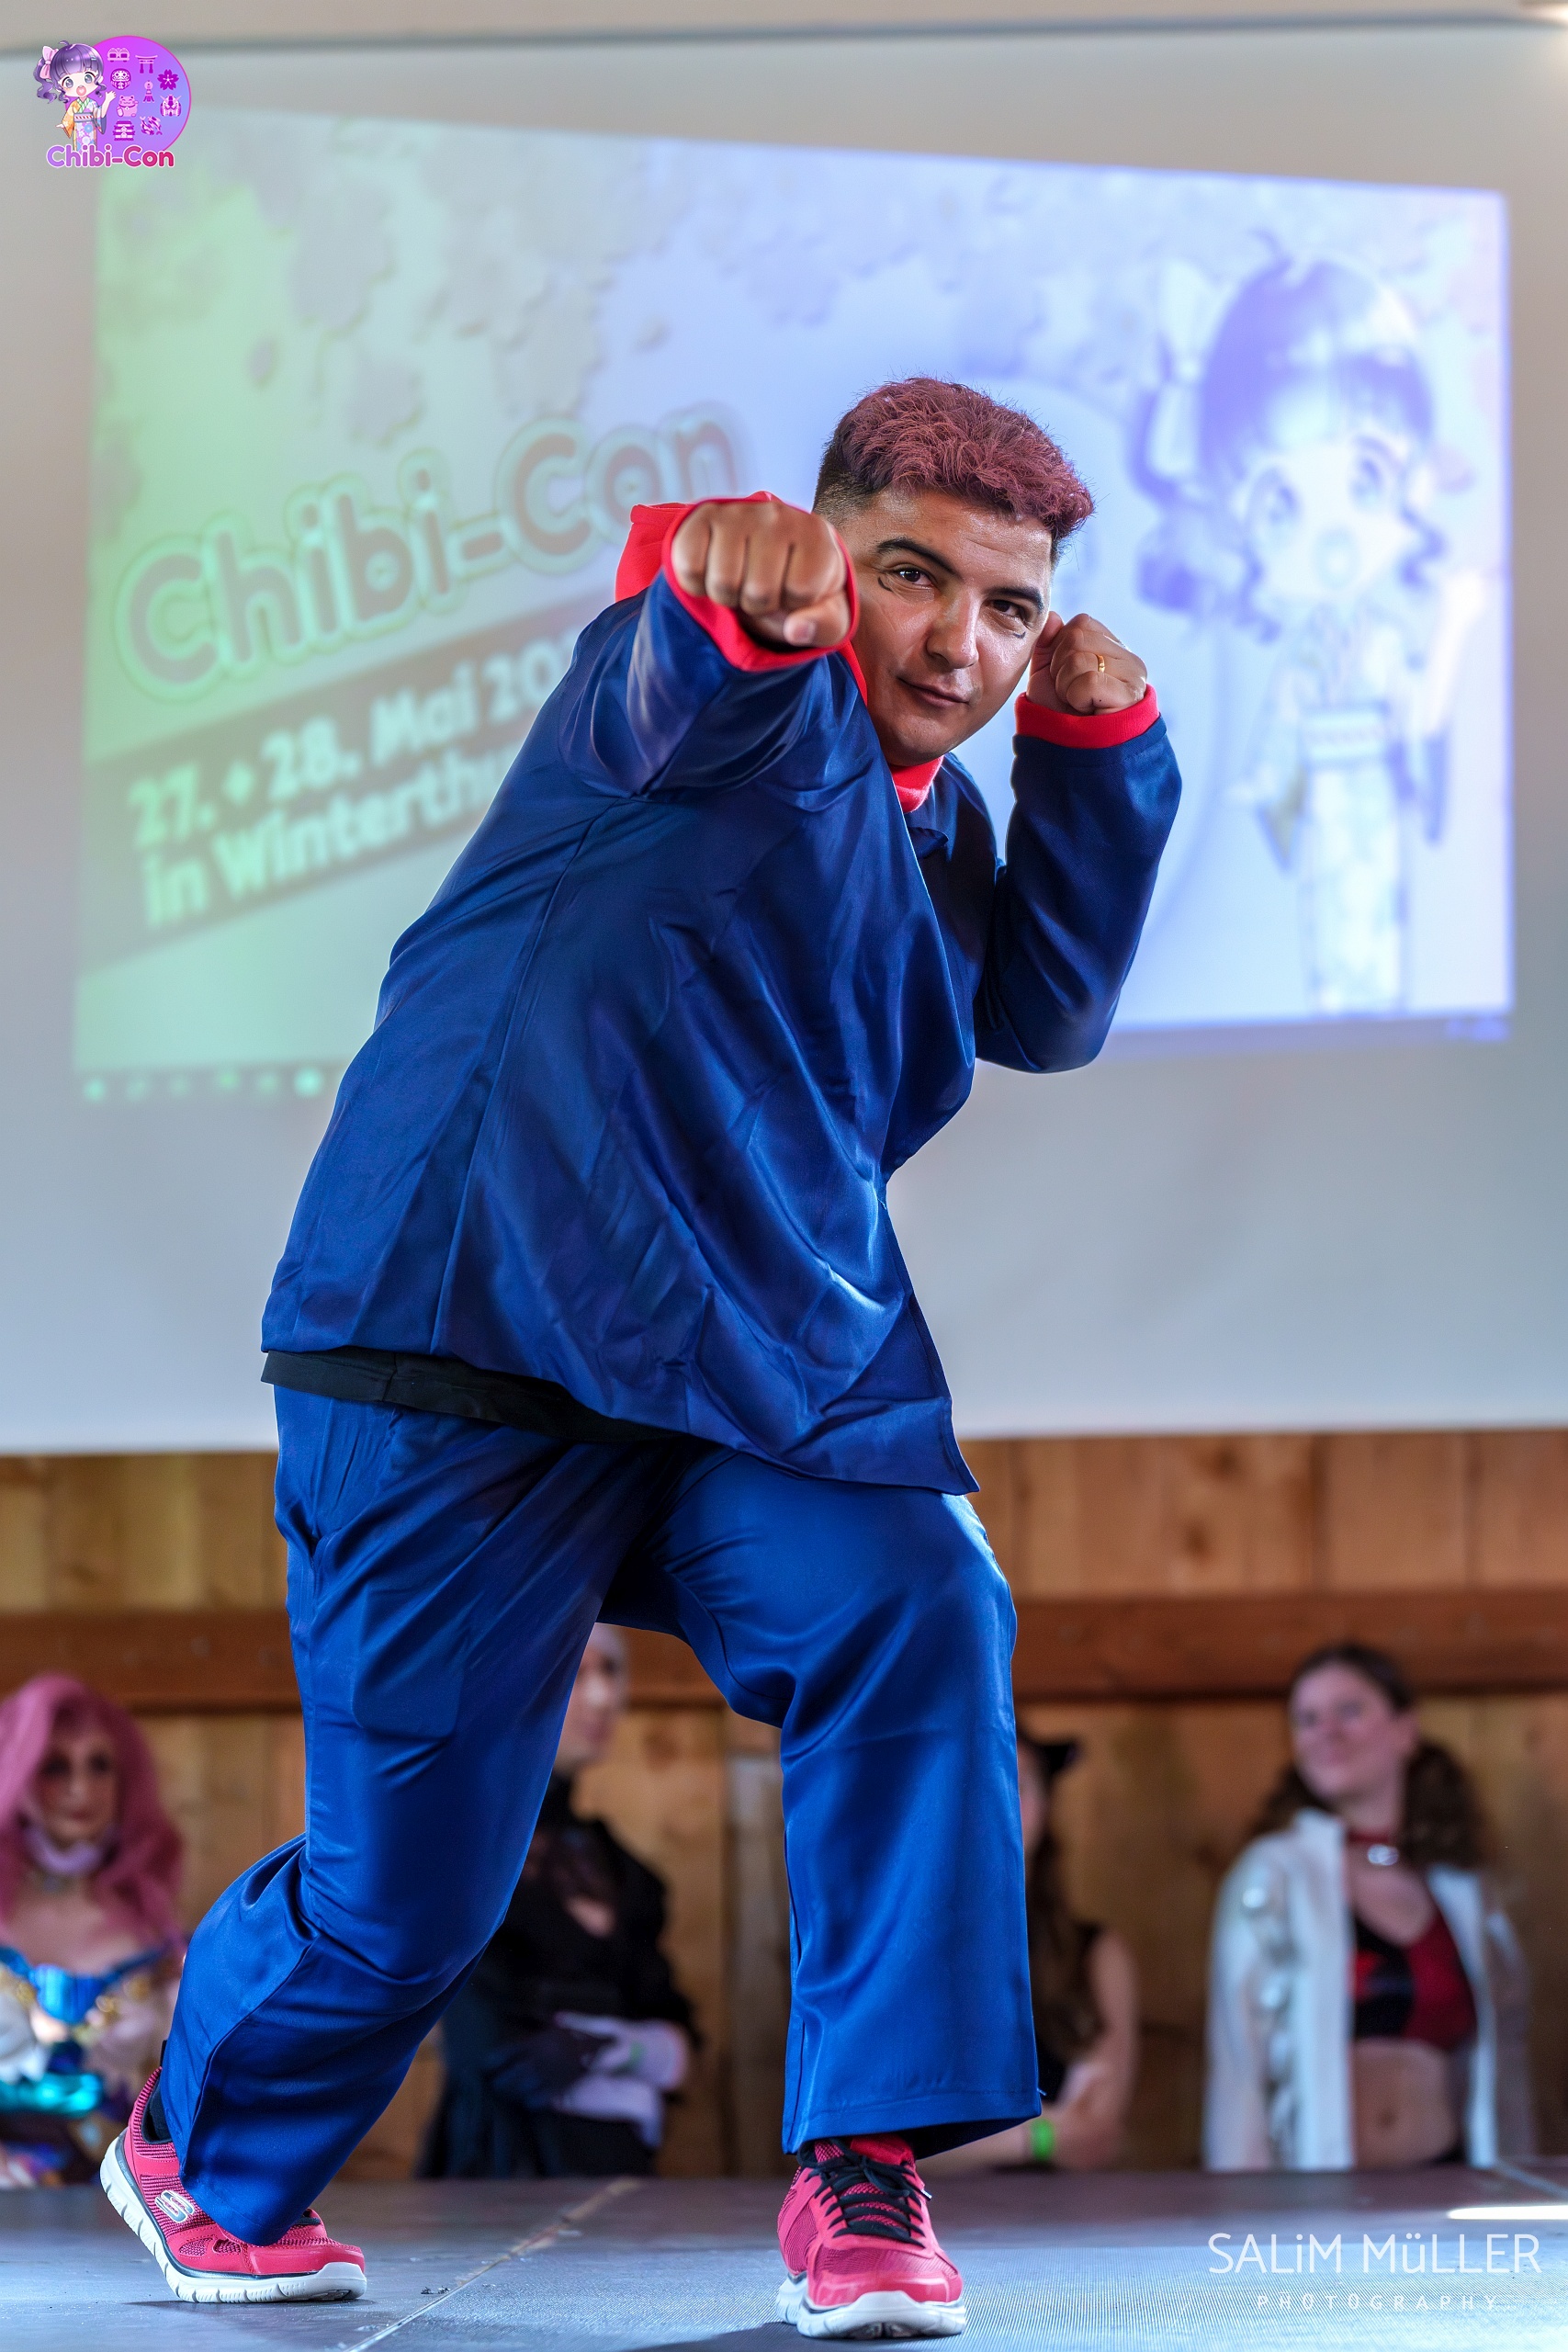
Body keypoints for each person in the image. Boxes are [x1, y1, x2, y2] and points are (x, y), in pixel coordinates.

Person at [102, 376, 1180, 2333]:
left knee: (917, 1597)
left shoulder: (938, 829)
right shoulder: (729, 682)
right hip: (465, 1336)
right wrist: (715, 584)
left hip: (739, 1374)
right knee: (408, 1898)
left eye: (1009, 607)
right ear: (828, 554)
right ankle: (199, 2139)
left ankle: (861, 2170)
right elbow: (680, 674)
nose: (958, 641)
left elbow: (1042, 1008)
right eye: (912, 576)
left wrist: (1098, 749)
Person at [1204, 1642, 1531, 2172]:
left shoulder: (1461, 1890)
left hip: (1450, 2184)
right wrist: (1243, 2201)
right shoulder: (1273, 1876)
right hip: (1320, 2191)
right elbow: (1238, 2061)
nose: (1326, 1732)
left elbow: (1504, 2061)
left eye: (1349, 1711)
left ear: (1406, 1730)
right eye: (1307, 1719)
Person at [420, 1623, 694, 2178]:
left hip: (619, 2181)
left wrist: (599, 2047)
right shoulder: (466, 1858)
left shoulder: (628, 1875)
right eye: (575, 1670)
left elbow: (679, 2049)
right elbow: (495, 2054)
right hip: (493, 2172)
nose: (603, 1696)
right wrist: (628, 2057)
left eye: (610, 1671)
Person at [925, 1736, 1137, 2177]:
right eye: (982, 1784)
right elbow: (894, 2144)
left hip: (1063, 2214)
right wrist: (1040, 2136)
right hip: (940, 2215)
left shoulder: (1096, 1956)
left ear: (1046, 1805)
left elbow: (1094, 2135)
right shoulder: (916, 1953)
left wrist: (964, 2138)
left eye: (1019, 1784)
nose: (1002, 1802)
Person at [0, 1675, 184, 2188]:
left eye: (99, 1765)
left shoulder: (154, 1935)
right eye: (55, 1766)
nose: (80, 1788)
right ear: (17, 1774)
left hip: (123, 2205)